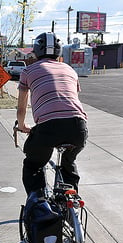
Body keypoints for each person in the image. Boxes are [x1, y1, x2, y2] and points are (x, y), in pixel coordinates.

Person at [16, 32, 88, 198]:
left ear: (36, 51)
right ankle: (71, 205)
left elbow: (21, 108)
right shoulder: (70, 70)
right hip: (79, 127)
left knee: (33, 165)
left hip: (49, 128)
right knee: (68, 164)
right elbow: (71, 99)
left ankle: (39, 206)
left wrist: (21, 125)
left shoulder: (28, 71)